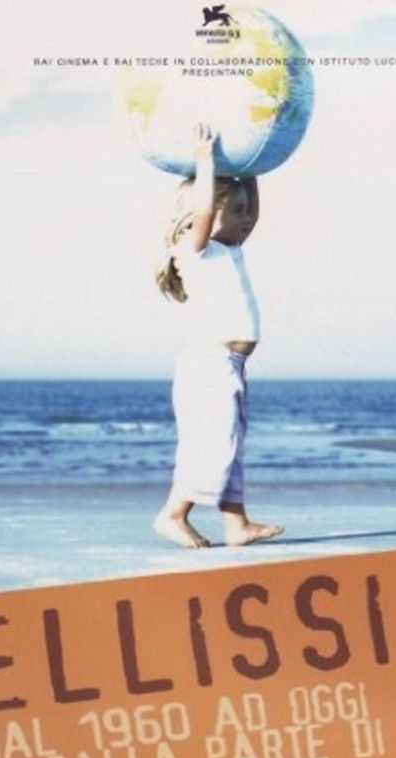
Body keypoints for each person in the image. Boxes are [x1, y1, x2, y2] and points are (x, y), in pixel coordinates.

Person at [153, 123, 285, 549]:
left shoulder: (229, 250)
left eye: (245, 211)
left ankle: (236, 525)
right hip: (209, 364)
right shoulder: (195, 252)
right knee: (214, 445)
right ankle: (174, 514)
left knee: (229, 445)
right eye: (237, 211)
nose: (245, 219)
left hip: (230, 365)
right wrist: (206, 161)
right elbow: (206, 213)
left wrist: (254, 165)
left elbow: (253, 215)